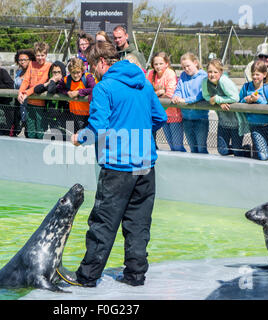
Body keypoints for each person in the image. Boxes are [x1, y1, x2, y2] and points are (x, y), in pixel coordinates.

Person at [61, 42, 167, 288]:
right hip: (145, 165)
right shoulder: (144, 84)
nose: (90, 71)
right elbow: (160, 117)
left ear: (101, 63)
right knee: (138, 222)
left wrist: (79, 138)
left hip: (118, 167)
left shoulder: (104, 87)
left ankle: (87, 276)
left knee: (103, 222)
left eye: (90, 65)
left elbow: (98, 128)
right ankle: (135, 275)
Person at [202, 59, 247, 157]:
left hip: (236, 122)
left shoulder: (224, 81)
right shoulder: (205, 81)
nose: (212, 74)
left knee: (237, 151)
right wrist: (218, 102)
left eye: (215, 72)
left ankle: (247, 150)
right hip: (223, 121)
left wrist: (218, 99)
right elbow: (206, 96)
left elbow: (235, 97)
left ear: (221, 72)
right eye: (209, 72)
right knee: (222, 150)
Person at [240, 60, 268, 161]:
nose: (254, 77)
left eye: (257, 74)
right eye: (253, 74)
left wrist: (258, 100)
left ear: (264, 74)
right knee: (263, 155)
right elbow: (239, 101)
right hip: (255, 126)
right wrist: (246, 100)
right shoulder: (246, 87)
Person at [171, 52, 209, 153]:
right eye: (184, 67)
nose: (186, 69)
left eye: (188, 66)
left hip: (200, 118)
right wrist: (176, 96)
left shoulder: (204, 76)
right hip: (186, 118)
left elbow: (201, 95)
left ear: (195, 63)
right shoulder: (183, 75)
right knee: (193, 148)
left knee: (201, 148)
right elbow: (178, 89)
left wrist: (186, 100)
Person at [147, 52, 184, 152]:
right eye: (156, 64)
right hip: (161, 115)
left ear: (166, 63)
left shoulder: (170, 73)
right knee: (171, 145)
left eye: (161, 63)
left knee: (177, 146)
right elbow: (147, 93)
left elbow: (170, 94)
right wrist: (159, 92)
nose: (158, 66)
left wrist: (157, 95)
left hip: (173, 115)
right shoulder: (151, 74)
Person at [17, 42, 52, 139]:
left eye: (42, 55)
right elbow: (26, 80)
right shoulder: (31, 64)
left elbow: (40, 83)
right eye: (38, 55)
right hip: (30, 104)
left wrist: (26, 93)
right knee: (31, 132)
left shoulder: (49, 66)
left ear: (46, 55)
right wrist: (20, 92)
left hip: (42, 105)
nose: (40, 58)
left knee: (40, 132)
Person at [57, 57, 96, 133]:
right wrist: (67, 93)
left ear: (82, 70)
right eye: (73, 72)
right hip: (72, 114)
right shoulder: (66, 79)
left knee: (87, 138)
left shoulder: (88, 77)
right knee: (74, 138)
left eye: (78, 72)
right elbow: (59, 88)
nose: (75, 75)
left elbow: (94, 88)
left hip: (88, 114)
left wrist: (78, 92)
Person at [14, 48, 35, 137]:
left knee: (30, 132)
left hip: (30, 106)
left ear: (30, 60)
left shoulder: (33, 72)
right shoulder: (18, 73)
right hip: (19, 106)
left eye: (25, 60)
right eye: (20, 60)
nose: (22, 62)